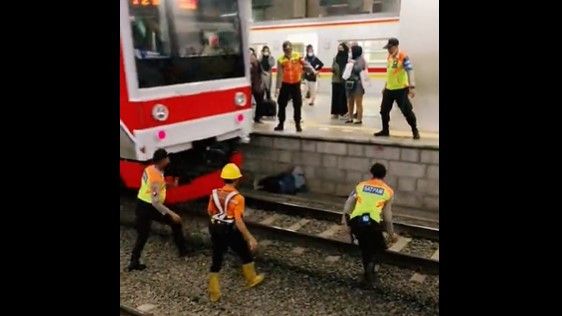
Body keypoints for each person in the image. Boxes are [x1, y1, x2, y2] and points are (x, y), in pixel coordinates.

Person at [207, 163, 265, 302]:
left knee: (217, 257)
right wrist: (250, 238)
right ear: (237, 179)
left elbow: (210, 211)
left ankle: (214, 292)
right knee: (244, 251)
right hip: (229, 229)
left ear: (223, 179)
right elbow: (239, 221)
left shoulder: (214, 193)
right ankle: (252, 278)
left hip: (214, 226)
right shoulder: (238, 198)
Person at [128, 149, 190, 271]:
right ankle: (183, 251)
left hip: (141, 204)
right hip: (149, 207)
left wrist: (168, 185)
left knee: (142, 235)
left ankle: (134, 261)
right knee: (174, 221)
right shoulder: (156, 176)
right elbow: (155, 202)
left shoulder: (150, 168)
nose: (168, 159)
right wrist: (172, 213)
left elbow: (154, 186)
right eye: (166, 158)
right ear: (162, 161)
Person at [341, 163, 399, 289]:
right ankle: (370, 271)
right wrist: (391, 233)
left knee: (364, 247)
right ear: (384, 175)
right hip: (371, 222)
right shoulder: (388, 191)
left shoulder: (360, 186)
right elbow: (387, 216)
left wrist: (345, 223)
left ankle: (367, 272)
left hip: (356, 221)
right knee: (379, 247)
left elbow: (348, 205)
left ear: (371, 173)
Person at [374, 38, 420, 139]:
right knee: (383, 111)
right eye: (388, 48)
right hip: (389, 89)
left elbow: (410, 70)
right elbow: (390, 73)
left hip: (401, 89)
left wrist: (412, 86)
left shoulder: (403, 56)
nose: (389, 50)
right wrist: (385, 86)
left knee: (407, 111)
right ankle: (385, 130)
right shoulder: (389, 57)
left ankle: (415, 130)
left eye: (390, 48)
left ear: (396, 46)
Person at [274, 41, 313, 132]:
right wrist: (277, 88)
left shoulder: (297, 56)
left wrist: (312, 71)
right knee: (281, 103)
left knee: (297, 104)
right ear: (283, 50)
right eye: (286, 49)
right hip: (285, 84)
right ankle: (281, 123)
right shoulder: (280, 60)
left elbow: (305, 65)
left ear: (292, 48)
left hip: (296, 84)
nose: (288, 51)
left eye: (289, 49)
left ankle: (297, 124)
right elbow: (279, 74)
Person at [344, 45, 367, 125]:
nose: (350, 52)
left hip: (358, 84)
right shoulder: (351, 59)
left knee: (358, 102)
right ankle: (350, 117)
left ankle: (359, 119)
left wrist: (353, 64)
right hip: (350, 83)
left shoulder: (361, 59)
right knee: (350, 101)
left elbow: (358, 69)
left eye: (351, 51)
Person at [331, 43, 349, 119]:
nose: (340, 49)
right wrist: (332, 70)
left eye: (341, 48)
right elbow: (333, 66)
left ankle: (343, 113)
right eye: (339, 48)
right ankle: (335, 113)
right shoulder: (335, 58)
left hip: (344, 80)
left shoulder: (348, 58)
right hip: (335, 80)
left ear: (345, 49)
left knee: (343, 97)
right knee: (335, 97)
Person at [249, 48, 265, 123]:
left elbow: (261, 73)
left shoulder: (258, 63)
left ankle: (257, 118)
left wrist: (262, 83)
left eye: (252, 55)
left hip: (257, 85)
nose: (251, 57)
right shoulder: (247, 65)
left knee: (259, 102)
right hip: (248, 86)